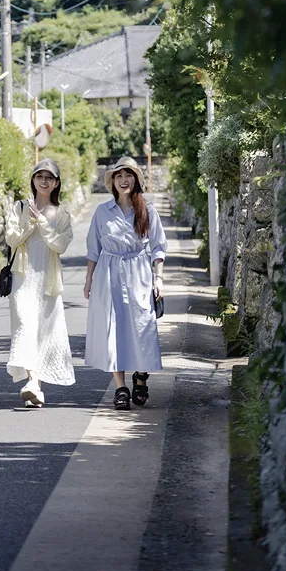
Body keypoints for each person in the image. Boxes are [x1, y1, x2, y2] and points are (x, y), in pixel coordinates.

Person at [83, 156, 167, 410]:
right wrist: (88, 279)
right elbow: (93, 249)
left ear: (136, 180)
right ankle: (120, 387)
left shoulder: (147, 210)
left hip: (139, 273)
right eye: (119, 176)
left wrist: (158, 278)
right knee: (112, 330)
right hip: (108, 274)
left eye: (128, 175)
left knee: (142, 326)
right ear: (113, 182)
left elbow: (158, 246)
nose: (123, 180)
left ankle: (140, 377)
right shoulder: (101, 212)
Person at [5, 158, 75, 407]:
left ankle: (37, 389)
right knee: (25, 324)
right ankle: (33, 380)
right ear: (33, 180)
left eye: (49, 178)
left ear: (56, 183)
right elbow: (12, 239)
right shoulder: (20, 207)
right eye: (39, 176)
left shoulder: (62, 213)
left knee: (44, 331)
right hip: (23, 279)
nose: (44, 181)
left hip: (48, 279)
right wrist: (29, 223)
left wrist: (43, 223)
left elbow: (60, 244)